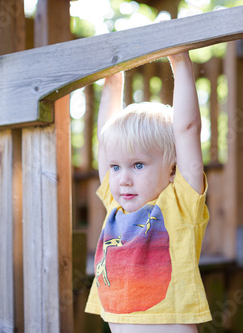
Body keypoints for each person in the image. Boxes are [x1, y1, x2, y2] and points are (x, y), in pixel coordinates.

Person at [85, 51, 211, 332]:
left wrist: (180, 61)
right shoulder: (116, 208)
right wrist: (112, 80)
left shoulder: (179, 204)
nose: (123, 179)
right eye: (116, 167)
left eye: (138, 165)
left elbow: (188, 129)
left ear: (172, 169)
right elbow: (104, 142)